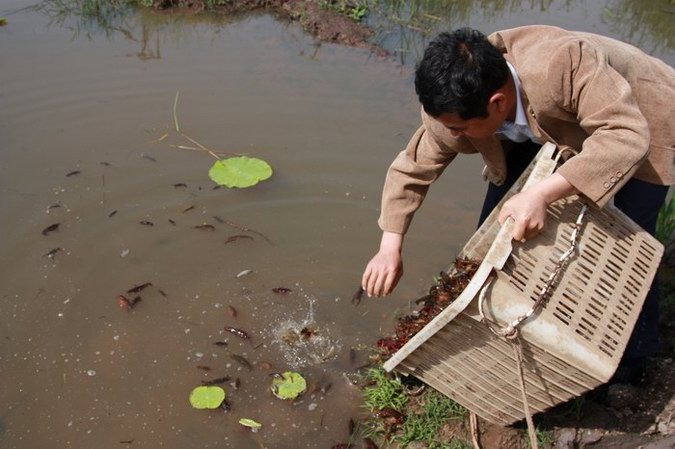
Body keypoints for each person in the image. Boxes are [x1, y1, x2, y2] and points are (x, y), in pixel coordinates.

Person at [361, 25, 674, 383]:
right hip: (539, 120)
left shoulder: (562, 66)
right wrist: (390, 247)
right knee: (497, 225)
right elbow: (412, 169)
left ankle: (634, 360)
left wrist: (541, 193)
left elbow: (625, 137)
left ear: (496, 104)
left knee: (627, 244)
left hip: (640, 116)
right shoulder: (455, 107)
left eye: (459, 129)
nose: (451, 136)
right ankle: (502, 331)